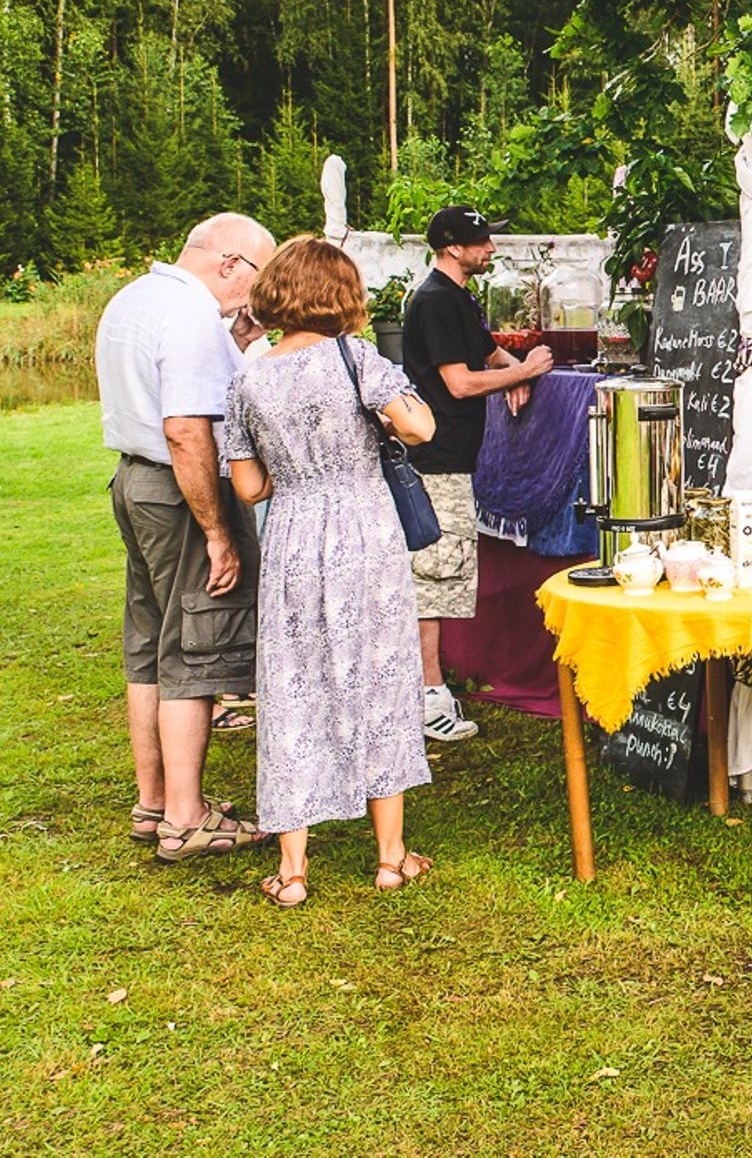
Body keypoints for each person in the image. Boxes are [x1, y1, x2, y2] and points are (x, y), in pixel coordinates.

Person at [221, 236, 439, 907]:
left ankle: (292, 871)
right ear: (341, 294)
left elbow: (251, 485)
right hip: (365, 533)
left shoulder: (250, 375)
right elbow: (420, 428)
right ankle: (390, 857)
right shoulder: (355, 358)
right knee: (379, 674)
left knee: (291, 682)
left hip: (291, 535)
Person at [96, 212, 274, 861]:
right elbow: (187, 429)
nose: (257, 293)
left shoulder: (138, 296)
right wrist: (217, 532)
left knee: (149, 644)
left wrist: (241, 336)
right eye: (258, 275)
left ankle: (154, 801)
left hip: (135, 482)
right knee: (196, 649)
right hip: (180, 492)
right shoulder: (194, 315)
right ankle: (186, 817)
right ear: (229, 263)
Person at [400, 205, 553, 741]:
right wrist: (529, 370)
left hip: (454, 459)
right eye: (480, 241)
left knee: (445, 575)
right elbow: (460, 383)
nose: (490, 248)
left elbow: (485, 356)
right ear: (450, 247)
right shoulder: (435, 301)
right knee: (434, 580)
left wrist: (512, 371)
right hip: (436, 460)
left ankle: (427, 689)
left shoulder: (459, 298)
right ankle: (427, 696)